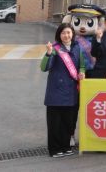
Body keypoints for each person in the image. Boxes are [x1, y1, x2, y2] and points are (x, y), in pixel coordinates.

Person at [41, 24, 85, 158]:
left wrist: (82, 72)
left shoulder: (77, 48)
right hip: (56, 91)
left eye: (69, 32)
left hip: (71, 92)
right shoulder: (55, 48)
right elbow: (44, 67)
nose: (66, 35)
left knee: (68, 121)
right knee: (55, 122)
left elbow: (82, 65)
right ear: (59, 35)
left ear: (72, 34)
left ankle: (66, 147)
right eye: (63, 33)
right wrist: (48, 53)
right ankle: (54, 149)